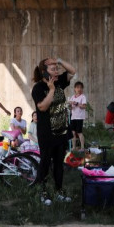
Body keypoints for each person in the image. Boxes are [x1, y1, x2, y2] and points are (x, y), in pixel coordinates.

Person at [31, 56, 76, 206]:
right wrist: (51, 91)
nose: (56, 71)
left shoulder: (60, 82)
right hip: (47, 133)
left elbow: (72, 71)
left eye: (57, 68)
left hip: (62, 131)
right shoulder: (38, 88)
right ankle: (42, 192)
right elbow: (42, 107)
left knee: (59, 163)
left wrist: (59, 60)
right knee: (45, 163)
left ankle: (58, 191)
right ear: (44, 72)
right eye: (53, 69)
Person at [68, 81, 87, 151]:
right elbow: (70, 108)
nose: (79, 89)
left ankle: (82, 147)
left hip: (79, 117)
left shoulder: (83, 97)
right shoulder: (72, 97)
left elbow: (84, 106)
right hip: (73, 117)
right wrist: (70, 105)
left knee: (79, 132)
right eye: (78, 87)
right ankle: (74, 147)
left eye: (81, 88)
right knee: (72, 132)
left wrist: (76, 104)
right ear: (75, 89)